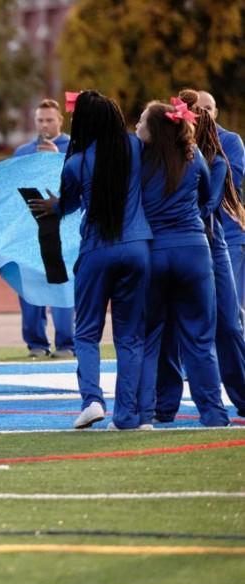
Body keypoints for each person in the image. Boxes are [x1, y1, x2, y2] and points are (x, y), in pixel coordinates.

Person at [28, 91, 152, 430]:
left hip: (97, 251)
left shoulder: (75, 162)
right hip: (139, 248)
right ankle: (128, 415)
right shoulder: (135, 147)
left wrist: (52, 206)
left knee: (87, 334)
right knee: (130, 336)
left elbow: (67, 204)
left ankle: (92, 401)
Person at [133, 100, 229, 427]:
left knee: (149, 338)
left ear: (153, 129)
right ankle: (214, 413)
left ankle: (147, 412)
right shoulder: (194, 156)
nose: (136, 126)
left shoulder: (137, 160)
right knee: (200, 339)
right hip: (195, 252)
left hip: (154, 252)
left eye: (141, 121)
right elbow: (206, 197)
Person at [153, 92, 245, 421]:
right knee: (169, 328)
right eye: (194, 110)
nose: (199, 115)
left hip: (212, 241)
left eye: (205, 110)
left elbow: (211, 201)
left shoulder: (223, 149)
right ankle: (166, 405)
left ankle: (238, 396)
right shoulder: (162, 151)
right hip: (184, 243)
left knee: (227, 324)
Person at [13, 99, 75, 358]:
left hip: (65, 230)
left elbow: (79, 183)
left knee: (63, 286)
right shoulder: (23, 152)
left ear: (60, 120)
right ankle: (36, 343)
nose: (45, 125)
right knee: (30, 289)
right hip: (30, 232)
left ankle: (66, 343)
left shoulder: (74, 147)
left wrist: (55, 160)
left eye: (49, 120)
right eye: (40, 120)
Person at [196, 91, 245, 307]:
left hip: (230, 234)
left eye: (208, 108)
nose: (203, 112)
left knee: (230, 305)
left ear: (215, 112)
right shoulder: (183, 143)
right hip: (197, 236)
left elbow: (230, 180)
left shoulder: (231, 141)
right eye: (198, 108)